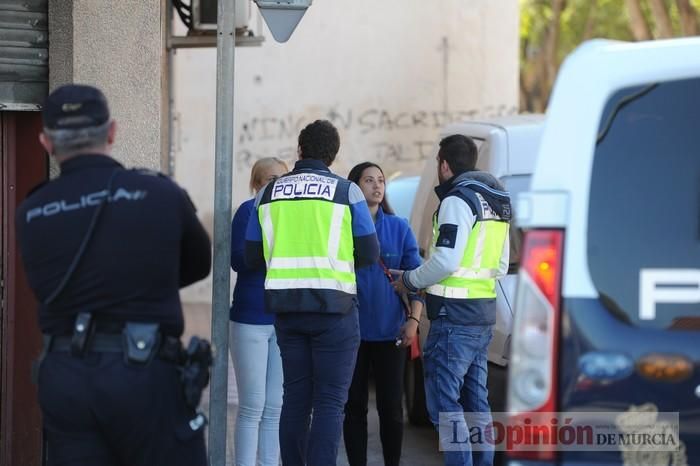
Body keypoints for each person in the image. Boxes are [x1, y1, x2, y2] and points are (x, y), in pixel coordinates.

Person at [15, 84, 212, 466]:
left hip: (65, 379)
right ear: (112, 131)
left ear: (45, 142)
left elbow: (42, 283)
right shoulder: (157, 192)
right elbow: (198, 263)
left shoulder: (31, 210)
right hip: (143, 374)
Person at [245, 120, 379, 466]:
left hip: (287, 312)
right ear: (333, 156)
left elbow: (249, 254)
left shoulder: (267, 193)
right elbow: (368, 253)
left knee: (295, 399)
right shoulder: (346, 191)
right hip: (335, 311)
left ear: (299, 150)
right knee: (331, 402)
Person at [392, 134, 511, 466]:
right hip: (483, 316)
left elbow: (445, 261)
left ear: (444, 165)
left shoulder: (457, 201)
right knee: (476, 403)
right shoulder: (496, 201)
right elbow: (501, 265)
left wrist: (409, 280)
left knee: (445, 405)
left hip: (452, 318)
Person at [343, 162, 424, 466]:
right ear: (354, 187)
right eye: (369, 180)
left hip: (392, 330)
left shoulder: (399, 226)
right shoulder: (342, 227)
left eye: (381, 180)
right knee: (353, 407)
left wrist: (413, 321)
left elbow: (417, 279)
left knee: (391, 408)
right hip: (350, 332)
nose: (377, 186)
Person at [229, 157, 288, 466]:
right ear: (256, 184)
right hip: (250, 318)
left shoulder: (292, 214)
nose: (275, 184)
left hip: (283, 319)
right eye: (269, 179)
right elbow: (238, 259)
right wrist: (277, 251)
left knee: (275, 405)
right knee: (252, 403)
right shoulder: (246, 211)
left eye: (281, 178)